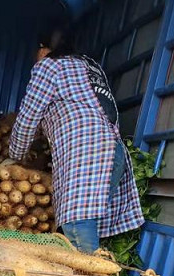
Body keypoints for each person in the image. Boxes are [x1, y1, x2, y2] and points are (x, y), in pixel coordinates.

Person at [8, 26, 144, 254]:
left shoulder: (49, 66)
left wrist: (14, 156)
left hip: (87, 154)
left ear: (43, 49)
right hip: (114, 153)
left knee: (78, 231)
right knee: (73, 234)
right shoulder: (90, 66)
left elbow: (28, 118)